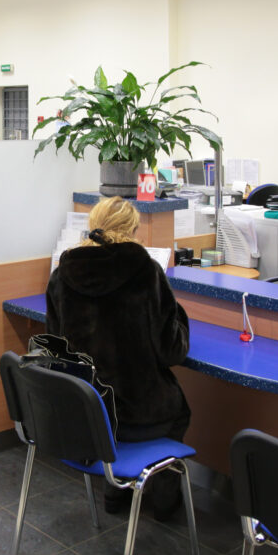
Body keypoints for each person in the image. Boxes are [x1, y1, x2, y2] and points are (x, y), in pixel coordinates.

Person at [45, 196, 191, 521]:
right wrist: (178, 316)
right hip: (141, 414)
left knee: (109, 405)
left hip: (86, 417)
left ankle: (115, 491)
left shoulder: (62, 274)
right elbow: (172, 351)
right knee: (178, 413)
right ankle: (165, 505)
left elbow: (56, 350)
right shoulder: (146, 272)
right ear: (133, 230)